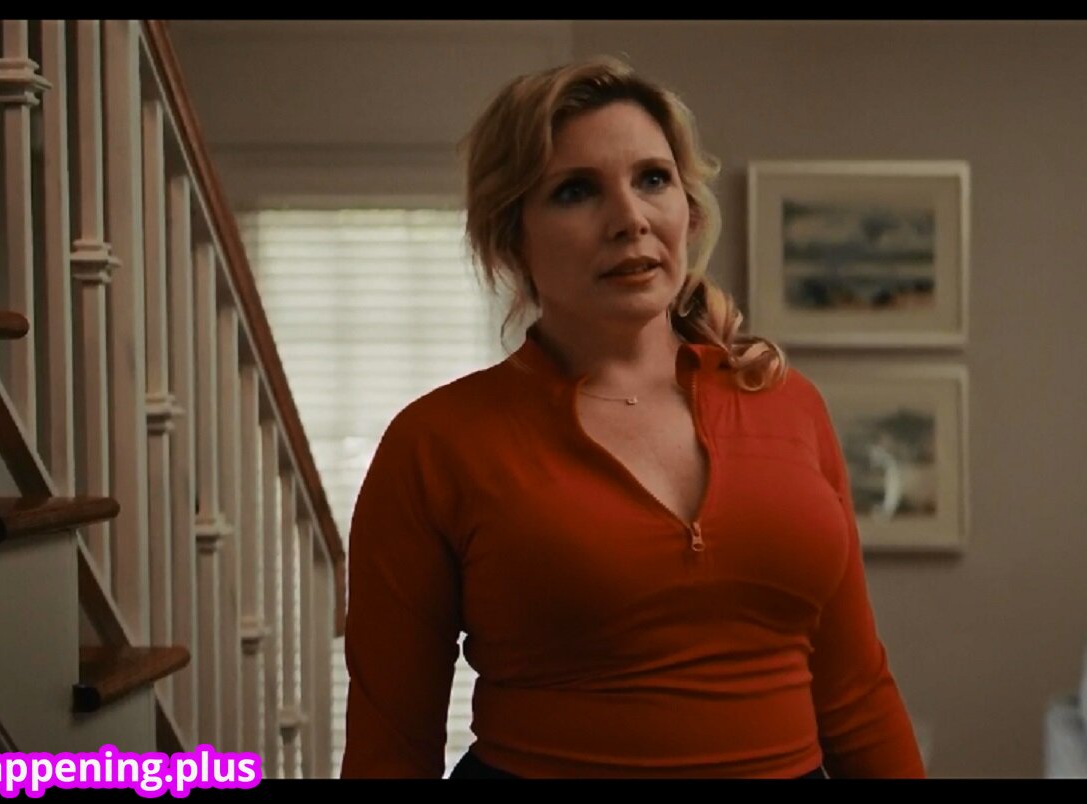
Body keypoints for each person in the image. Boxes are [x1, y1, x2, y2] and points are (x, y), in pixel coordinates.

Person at [338, 55, 926, 780]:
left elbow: (857, 694)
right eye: (576, 190)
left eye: (652, 179)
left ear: (688, 207)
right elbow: (390, 747)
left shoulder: (787, 404)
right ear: (512, 236)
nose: (630, 220)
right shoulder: (436, 443)